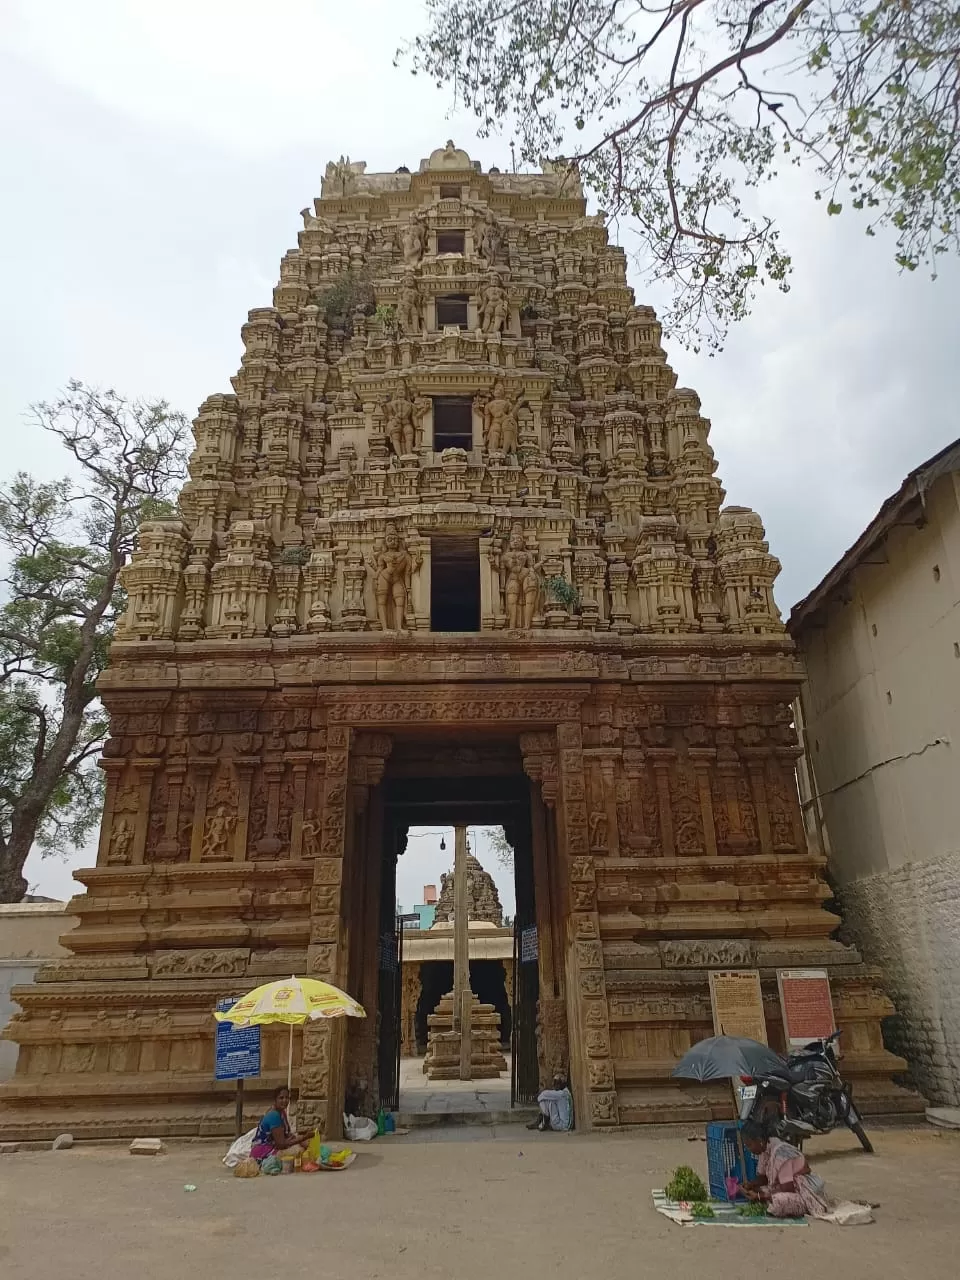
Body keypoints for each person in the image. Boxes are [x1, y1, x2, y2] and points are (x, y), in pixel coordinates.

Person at [740, 1120, 872, 1221]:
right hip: (785, 1188)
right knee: (761, 1192)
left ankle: (805, 1205)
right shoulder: (765, 1151)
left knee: (777, 1202)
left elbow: (787, 1187)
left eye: (749, 1145)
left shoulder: (780, 1152)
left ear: (760, 1141)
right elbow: (763, 1178)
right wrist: (752, 1185)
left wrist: (760, 1196)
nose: (748, 1148)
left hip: (803, 1191)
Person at [250, 1086, 311, 1162]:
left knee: (306, 1146)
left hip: (275, 1147)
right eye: (281, 1098)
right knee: (299, 1151)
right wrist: (303, 1138)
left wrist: (302, 1140)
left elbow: (288, 1134)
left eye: (287, 1098)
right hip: (263, 1151)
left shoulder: (281, 1112)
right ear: (275, 1099)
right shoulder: (274, 1115)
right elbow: (281, 1144)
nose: (285, 1101)